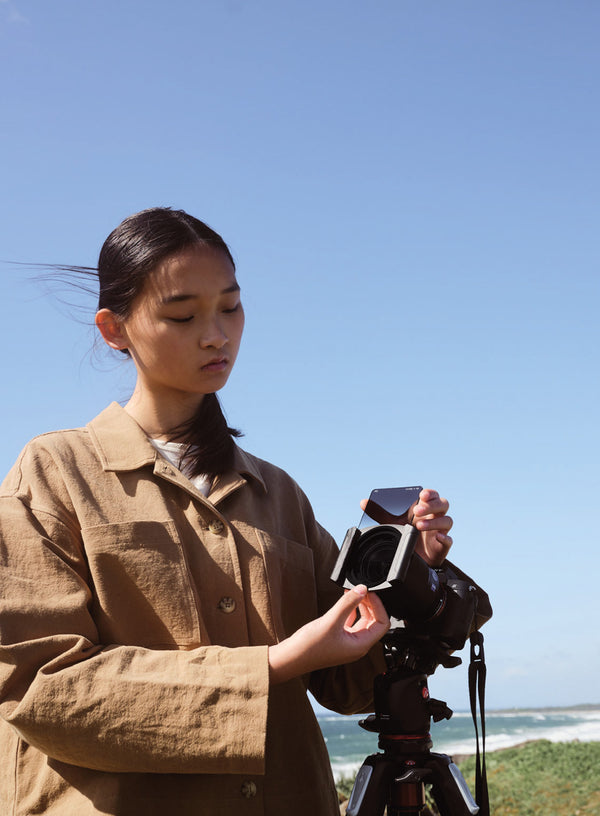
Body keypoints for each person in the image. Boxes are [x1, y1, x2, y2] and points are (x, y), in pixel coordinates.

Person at [0, 208, 453, 816]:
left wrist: (406, 578)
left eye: (231, 308)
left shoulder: (278, 494)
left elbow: (350, 683)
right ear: (114, 329)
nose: (216, 334)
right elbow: (39, 690)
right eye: (182, 315)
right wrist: (274, 664)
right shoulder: (56, 472)